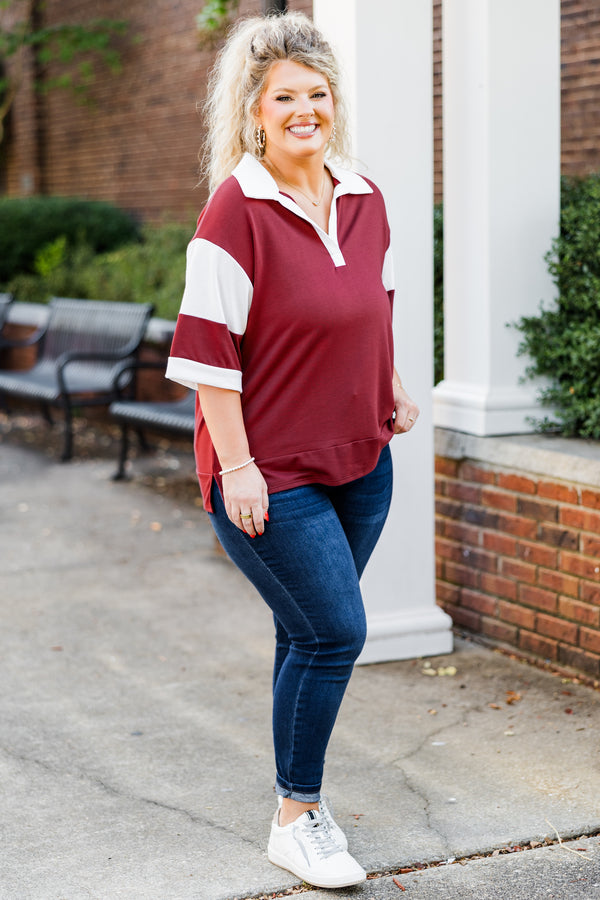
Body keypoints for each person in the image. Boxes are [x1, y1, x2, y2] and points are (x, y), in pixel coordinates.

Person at [166, 11, 419, 890]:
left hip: (362, 460)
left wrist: (390, 384)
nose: (304, 110)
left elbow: (372, 307)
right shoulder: (233, 213)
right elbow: (209, 361)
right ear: (254, 113)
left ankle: (296, 799)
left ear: (333, 103)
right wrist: (236, 468)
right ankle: (296, 817)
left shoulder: (364, 196)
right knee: (336, 632)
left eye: (318, 94)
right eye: (285, 98)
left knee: (304, 631)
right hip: (270, 473)